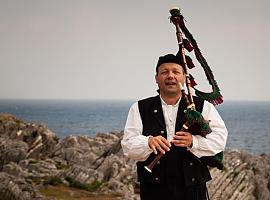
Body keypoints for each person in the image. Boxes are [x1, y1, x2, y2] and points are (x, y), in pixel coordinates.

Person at [121, 53, 228, 200]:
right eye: (164, 72)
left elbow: (220, 140)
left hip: (193, 188)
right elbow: (128, 145)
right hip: (153, 188)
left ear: (184, 77)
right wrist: (148, 142)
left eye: (176, 72)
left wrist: (193, 142)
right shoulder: (140, 107)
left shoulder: (202, 106)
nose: (170, 76)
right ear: (156, 78)